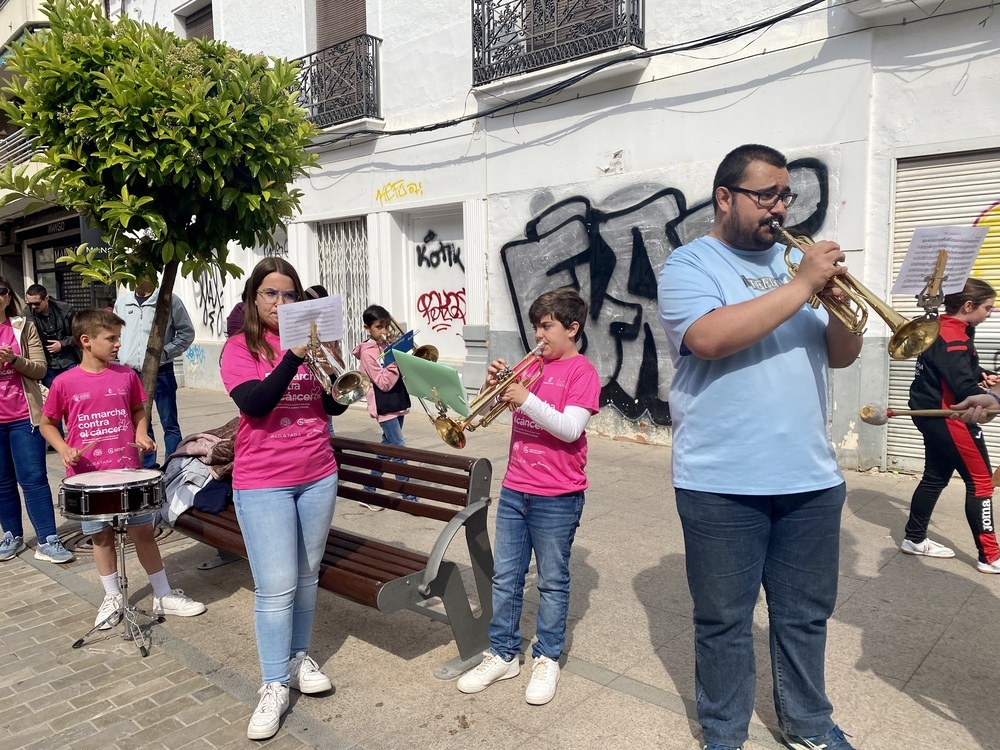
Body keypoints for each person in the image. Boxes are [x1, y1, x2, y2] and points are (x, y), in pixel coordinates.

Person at [657, 144, 861, 750]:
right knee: (723, 622)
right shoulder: (690, 266)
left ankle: (808, 724)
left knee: (805, 617)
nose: (779, 207)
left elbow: (840, 355)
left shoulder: (796, 265)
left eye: (785, 195)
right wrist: (803, 285)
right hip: (721, 479)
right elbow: (710, 338)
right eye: (766, 194)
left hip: (811, 477)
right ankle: (724, 733)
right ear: (725, 197)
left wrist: (844, 308)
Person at [220, 257, 349, 740]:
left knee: (306, 576)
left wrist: (333, 363)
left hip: (317, 474)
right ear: (254, 298)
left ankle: (297, 659)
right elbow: (254, 403)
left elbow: (334, 404)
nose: (281, 302)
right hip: (263, 481)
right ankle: (272, 684)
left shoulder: (313, 345)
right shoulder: (239, 347)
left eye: (290, 295)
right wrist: (294, 356)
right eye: (271, 293)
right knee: (275, 588)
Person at [456, 287, 600, 706]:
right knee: (506, 577)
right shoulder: (531, 367)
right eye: (536, 325)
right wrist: (492, 386)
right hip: (517, 487)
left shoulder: (581, 372)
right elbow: (480, 416)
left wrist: (526, 398)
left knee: (553, 582)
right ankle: (503, 653)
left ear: (572, 328)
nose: (539, 335)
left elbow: (570, 429)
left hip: (558, 494)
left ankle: (547, 657)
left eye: (548, 326)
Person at [40, 308, 205, 629]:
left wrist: (141, 432)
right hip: (88, 478)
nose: (118, 344)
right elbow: (47, 423)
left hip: (129, 474)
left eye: (119, 338)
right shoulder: (64, 382)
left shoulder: (126, 376)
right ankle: (113, 596)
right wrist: (63, 448)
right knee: (101, 538)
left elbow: (138, 410)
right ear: (85, 341)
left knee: (143, 533)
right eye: (111, 338)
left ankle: (163, 593)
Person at [901, 278, 1000, 572]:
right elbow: (962, 388)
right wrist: (992, 395)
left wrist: (982, 373)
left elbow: (948, 367)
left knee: (934, 477)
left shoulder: (938, 327)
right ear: (968, 306)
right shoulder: (955, 337)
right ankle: (991, 557)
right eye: (987, 308)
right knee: (981, 482)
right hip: (950, 417)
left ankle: (914, 539)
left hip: (929, 414)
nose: (990, 314)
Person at [0, 279, 74, 563]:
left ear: (9, 298)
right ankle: (11, 535)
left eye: (2, 292)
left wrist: (15, 360)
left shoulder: (22, 327)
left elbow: (41, 368)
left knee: (33, 479)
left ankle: (48, 539)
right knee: (2, 482)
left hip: (24, 417)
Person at [114, 277, 195, 468]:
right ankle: (148, 466)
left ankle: (174, 465)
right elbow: (116, 332)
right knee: (142, 423)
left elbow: (186, 332)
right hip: (132, 373)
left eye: (139, 272)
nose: (134, 278)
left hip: (161, 371)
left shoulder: (168, 300)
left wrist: (165, 352)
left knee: (169, 422)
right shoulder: (123, 302)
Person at [352, 304, 417, 508]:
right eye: (379, 327)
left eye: (386, 326)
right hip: (383, 404)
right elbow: (383, 382)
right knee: (399, 449)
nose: (385, 332)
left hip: (396, 401)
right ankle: (407, 496)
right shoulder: (367, 353)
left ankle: (368, 491)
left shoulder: (385, 346)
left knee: (386, 449)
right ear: (367, 327)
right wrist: (396, 360)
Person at [23, 284, 79, 387]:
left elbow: (79, 335)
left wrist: (62, 344)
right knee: (53, 395)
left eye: (36, 303)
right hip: (47, 364)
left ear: (46, 298)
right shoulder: (26, 315)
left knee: (75, 390)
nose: (33, 307)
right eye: (29, 303)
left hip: (69, 360)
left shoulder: (65, 310)